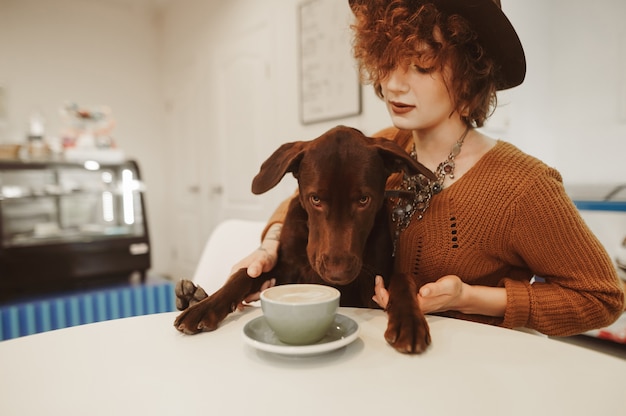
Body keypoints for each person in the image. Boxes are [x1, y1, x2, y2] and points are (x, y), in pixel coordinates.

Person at [233, 0, 625, 336]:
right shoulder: (388, 145)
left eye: (421, 67)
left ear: (471, 75)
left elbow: (602, 297)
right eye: (388, 63)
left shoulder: (521, 186)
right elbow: (312, 199)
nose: (395, 85)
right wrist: (270, 246)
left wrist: (471, 297)